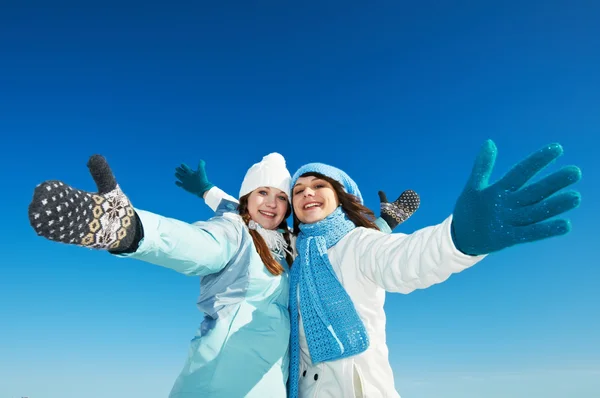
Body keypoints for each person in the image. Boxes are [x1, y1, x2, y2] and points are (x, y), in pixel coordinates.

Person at [283, 140, 581, 398]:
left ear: (341, 196)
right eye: (298, 190)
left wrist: (458, 238)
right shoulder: (292, 255)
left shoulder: (359, 244)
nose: (307, 193)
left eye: (319, 185)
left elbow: (406, 258)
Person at [28, 152, 297, 398]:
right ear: (247, 198)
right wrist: (131, 230)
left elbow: (231, 204)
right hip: (221, 382)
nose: (272, 204)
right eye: (262, 192)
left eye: (281, 197)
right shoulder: (235, 233)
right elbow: (198, 245)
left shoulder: (286, 248)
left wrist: (208, 191)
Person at [173, 159, 422, 233]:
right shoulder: (287, 240)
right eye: (299, 191)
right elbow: (238, 209)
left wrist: (386, 223)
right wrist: (206, 190)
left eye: (282, 197)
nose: (271, 204)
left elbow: (363, 246)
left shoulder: (298, 242)